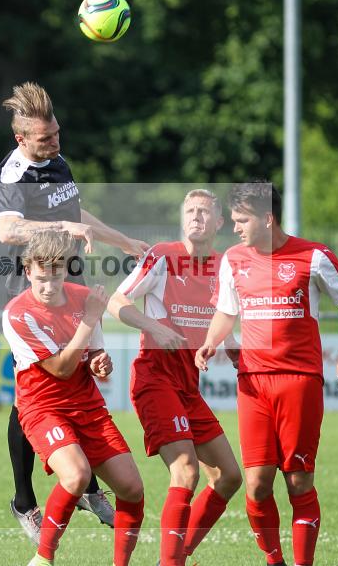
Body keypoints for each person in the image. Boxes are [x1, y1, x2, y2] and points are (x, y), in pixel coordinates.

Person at [0, 81, 149, 542]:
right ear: (22, 139)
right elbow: (7, 230)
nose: (55, 142)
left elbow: (79, 214)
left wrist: (123, 241)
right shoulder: (13, 173)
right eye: (45, 138)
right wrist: (63, 225)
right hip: (34, 285)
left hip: (69, 276)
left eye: (57, 133)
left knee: (79, 375)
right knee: (34, 393)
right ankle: (24, 501)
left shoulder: (58, 162)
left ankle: (87, 485)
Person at [195, 181, 338, 566]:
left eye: (242, 220)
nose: (235, 228)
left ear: (267, 218)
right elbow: (226, 311)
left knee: (298, 481)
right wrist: (211, 341)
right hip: (252, 383)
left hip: (299, 381)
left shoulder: (314, 256)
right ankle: (275, 562)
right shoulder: (233, 259)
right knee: (255, 485)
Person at [108, 189, 242, 565]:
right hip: (155, 378)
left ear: (218, 223)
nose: (196, 216)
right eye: (190, 210)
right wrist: (155, 326)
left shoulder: (223, 266)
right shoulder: (163, 257)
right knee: (185, 470)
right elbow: (116, 301)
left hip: (188, 387)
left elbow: (219, 316)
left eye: (205, 211)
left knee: (229, 476)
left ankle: (179, 552)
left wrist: (229, 343)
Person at [2, 230, 145, 566]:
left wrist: (100, 362)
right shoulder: (18, 313)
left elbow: (92, 356)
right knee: (77, 475)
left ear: (65, 270)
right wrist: (91, 319)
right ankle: (43, 558)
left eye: (56, 277)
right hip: (43, 408)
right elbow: (61, 369)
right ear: (27, 272)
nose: (49, 287)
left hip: (89, 408)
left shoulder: (83, 298)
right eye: (40, 279)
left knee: (132, 489)